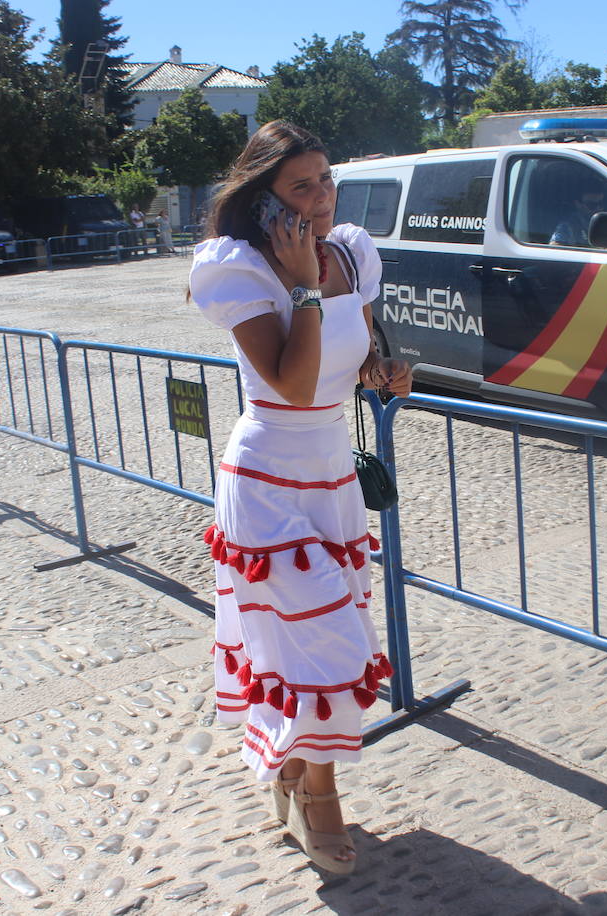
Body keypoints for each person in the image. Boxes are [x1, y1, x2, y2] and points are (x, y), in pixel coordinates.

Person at [188, 120, 413, 875]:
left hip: (332, 481)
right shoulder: (241, 269)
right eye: (300, 186)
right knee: (329, 651)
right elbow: (287, 380)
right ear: (263, 198)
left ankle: (290, 766)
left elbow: (357, 361)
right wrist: (307, 288)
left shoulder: (350, 251)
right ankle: (320, 796)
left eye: (325, 180)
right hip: (267, 483)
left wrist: (384, 372)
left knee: (317, 647)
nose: (320, 199)